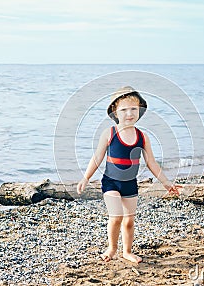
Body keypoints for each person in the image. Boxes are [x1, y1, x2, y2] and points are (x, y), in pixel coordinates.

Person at [77, 86, 180, 264]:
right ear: (115, 112)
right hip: (110, 183)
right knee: (116, 216)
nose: (129, 113)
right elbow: (97, 157)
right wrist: (85, 177)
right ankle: (112, 248)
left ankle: (127, 251)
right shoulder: (109, 133)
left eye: (133, 109)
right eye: (124, 109)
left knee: (129, 221)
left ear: (139, 110)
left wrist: (166, 183)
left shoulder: (142, 136)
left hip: (130, 184)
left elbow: (152, 163)